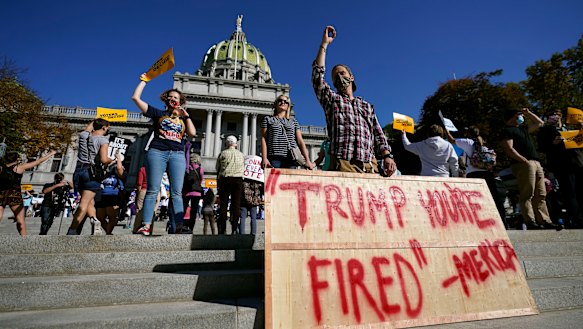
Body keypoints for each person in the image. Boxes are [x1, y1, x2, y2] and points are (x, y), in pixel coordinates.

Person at [312, 25, 396, 175]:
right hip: (343, 163)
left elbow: (378, 135)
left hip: (369, 164)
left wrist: (387, 156)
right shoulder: (332, 100)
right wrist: (324, 45)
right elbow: (317, 77)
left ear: (351, 77)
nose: (339, 77)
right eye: (335, 76)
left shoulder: (367, 106)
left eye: (342, 73)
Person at [131, 74, 196, 235]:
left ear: (180, 101)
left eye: (176, 97)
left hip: (177, 154)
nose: (173, 99)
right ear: (165, 100)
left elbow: (193, 133)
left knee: (176, 192)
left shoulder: (184, 119)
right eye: (170, 97)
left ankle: (179, 225)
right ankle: (146, 225)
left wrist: (185, 115)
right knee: (152, 190)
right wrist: (143, 81)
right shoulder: (158, 114)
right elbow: (135, 98)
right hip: (157, 152)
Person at [500, 108, 562, 230]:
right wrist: (524, 160)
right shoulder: (507, 131)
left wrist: (528, 113)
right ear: (512, 117)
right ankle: (530, 220)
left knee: (541, 193)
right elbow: (509, 148)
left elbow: (540, 123)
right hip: (523, 164)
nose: (521, 117)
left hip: (536, 163)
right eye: (519, 115)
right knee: (527, 193)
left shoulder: (522, 129)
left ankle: (544, 220)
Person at [447, 127, 508, 228]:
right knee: (494, 199)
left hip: (473, 174)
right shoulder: (485, 143)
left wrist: (447, 131)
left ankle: (480, 224)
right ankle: (503, 223)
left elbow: (451, 140)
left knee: (476, 201)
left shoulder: (467, 142)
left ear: (468, 134)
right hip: (488, 174)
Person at [538, 110, 583, 228]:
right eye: (551, 115)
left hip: (577, 163)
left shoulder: (570, 129)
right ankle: (576, 220)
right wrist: (553, 143)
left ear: (561, 116)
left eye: (557, 114)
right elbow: (542, 147)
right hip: (561, 165)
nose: (555, 116)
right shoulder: (545, 130)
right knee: (570, 193)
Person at [66, 119, 113, 235]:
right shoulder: (103, 140)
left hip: (78, 171)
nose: (108, 130)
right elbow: (103, 159)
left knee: (89, 201)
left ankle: (94, 219)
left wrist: (96, 120)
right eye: (108, 127)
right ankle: (72, 230)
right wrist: (112, 160)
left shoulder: (83, 135)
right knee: (84, 203)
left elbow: (88, 128)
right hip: (92, 172)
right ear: (104, 128)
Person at [0, 150, 56, 236]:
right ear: (17, 159)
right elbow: (39, 161)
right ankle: (24, 238)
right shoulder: (19, 167)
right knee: (20, 219)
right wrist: (51, 154)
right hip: (14, 194)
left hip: (1, 193)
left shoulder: (1, 168)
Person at [261, 95, 314, 169]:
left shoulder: (293, 121)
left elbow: (300, 141)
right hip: (274, 157)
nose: (283, 102)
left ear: (288, 106)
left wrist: (307, 160)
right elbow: (264, 139)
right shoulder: (268, 119)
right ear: (275, 104)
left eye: (286, 101)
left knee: (289, 180)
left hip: (291, 157)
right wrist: (264, 158)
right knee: (276, 180)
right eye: (280, 100)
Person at [216, 135, 245, 234]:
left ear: (227, 143)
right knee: (236, 205)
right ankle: (234, 227)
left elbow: (217, 168)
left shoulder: (223, 153)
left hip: (225, 179)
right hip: (238, 180)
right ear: (236, 144)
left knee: (223, 205)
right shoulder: (241, 155)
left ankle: (223, 228)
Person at [95, 150, 125, 235]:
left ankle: (108, 233)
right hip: (102, 196)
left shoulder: (119, 175)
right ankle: (108, 232)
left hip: (113, 195)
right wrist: (109, 161)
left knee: (112, 217)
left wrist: (118, 159)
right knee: (100, 217)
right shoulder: (105, 173)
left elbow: (120, 170)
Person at [183, 152, 204, 232]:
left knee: (184, 208)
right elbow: (201, 180)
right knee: (194, 210)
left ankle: (183, 224)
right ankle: (191, 227)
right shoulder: (200, 169)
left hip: (187, 191)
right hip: (197, 192)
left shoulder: (187, 168)